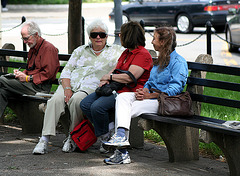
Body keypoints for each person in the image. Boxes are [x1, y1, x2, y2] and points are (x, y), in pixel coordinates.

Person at [32, 19, 124, 155]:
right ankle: (44, 139)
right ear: (89, 37)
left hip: (90, 87)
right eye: (94, 35)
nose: (98, 37)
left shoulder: (116, 51)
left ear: (107, 36)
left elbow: (129, 58)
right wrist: (67, 88)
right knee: (55, 101)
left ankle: (72, 137)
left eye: (102, 34)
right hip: (70, 84)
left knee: (77, 100)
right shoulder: (80, 50)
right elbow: (66, 72)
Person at [103, 27, 189, 165]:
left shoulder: (178, 62)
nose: (152, 41)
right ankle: (120, 137)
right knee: (122, 97)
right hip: (151, 98)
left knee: (127, 109)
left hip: (164, 102)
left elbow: (175, 89)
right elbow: (150, 81)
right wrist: (143, 91)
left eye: (154, 38)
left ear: (163, 42)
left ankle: (121, 149)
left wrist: (150, 95)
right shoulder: (159, 60)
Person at [80, 21, 153, 153]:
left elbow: (130, 77)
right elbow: (116, 69)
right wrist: (105, 79)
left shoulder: (142, 55)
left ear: (129, 36)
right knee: (85, 103)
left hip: (129, 92)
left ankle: (104, 138)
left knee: (97, 107)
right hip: (115, 87)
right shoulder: (126, 52)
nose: (119, 35)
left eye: (122, 34)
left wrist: (110, 78)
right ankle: (108, 130)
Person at [0, 21, 60, 120]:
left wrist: (27, 78)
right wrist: (21, 74)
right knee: (2, 91)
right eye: (23, 39)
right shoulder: (33, 47)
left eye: (26, 38)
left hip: (40, 88)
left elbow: (48, 74)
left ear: (36, 35)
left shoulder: (48, 48)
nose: (24, 42)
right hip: (30, 84)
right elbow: (30, 69)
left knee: (2, 79)